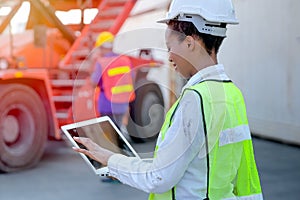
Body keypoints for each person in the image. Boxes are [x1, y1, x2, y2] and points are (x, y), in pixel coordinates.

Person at [73, 0, 264, 199]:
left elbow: (159, 177)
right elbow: (244, 176)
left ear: (190, 43)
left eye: (170, 46)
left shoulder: (196, 99)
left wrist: (110, 159)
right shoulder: (232, 94)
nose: (169, 57)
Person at [91, 31, 135, 131]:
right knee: (118, 130)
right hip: (122, 104)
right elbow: (131, 78)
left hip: (107, 105)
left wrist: (92, 63)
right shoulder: (125, 60)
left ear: (101, 47)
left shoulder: (101, 62)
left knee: (109, 135)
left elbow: (94, 82)